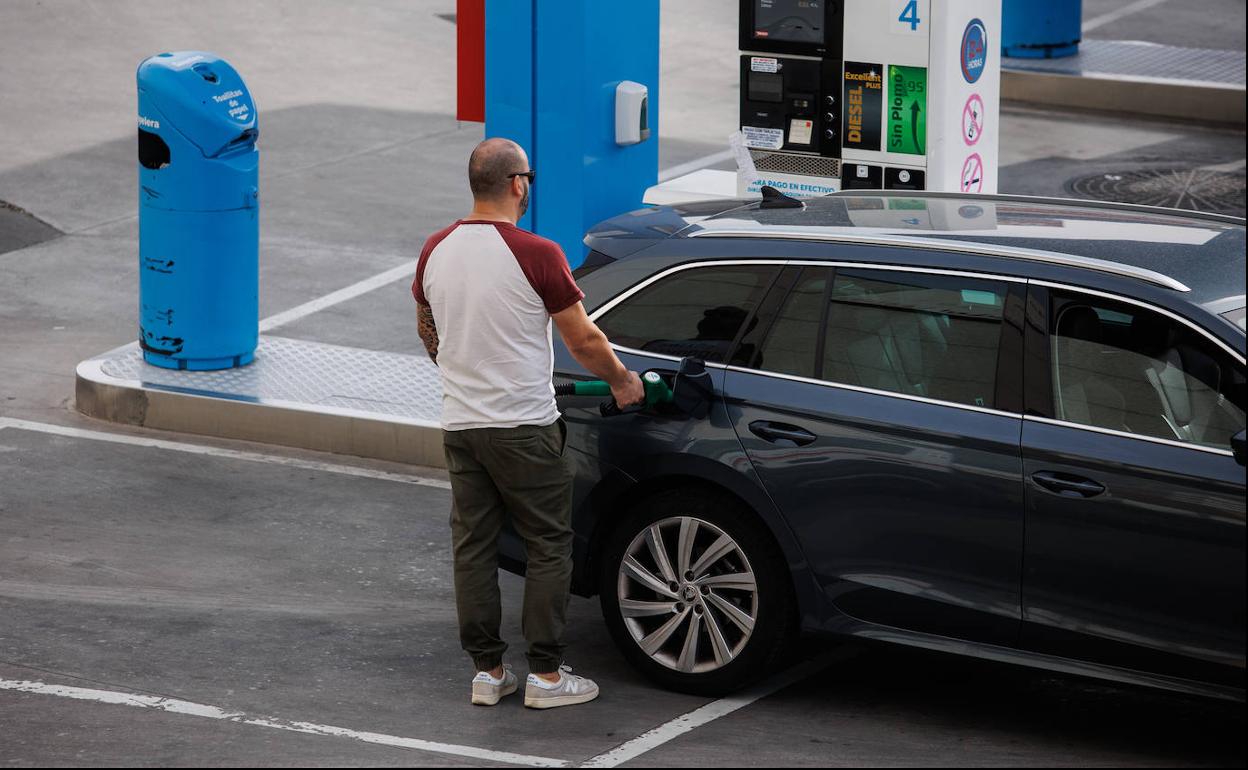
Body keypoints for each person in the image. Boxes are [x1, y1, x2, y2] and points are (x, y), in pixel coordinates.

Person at [413, 137, 644, 709]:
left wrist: (461, 371)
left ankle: (488, 673)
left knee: (473, 546)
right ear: (518, 184)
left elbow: (426, 327)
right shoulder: (538, 253)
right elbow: (584, 338)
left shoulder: (435, 248)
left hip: (460, 424)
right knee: (547, 543)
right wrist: (622, 380)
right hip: (522, 424)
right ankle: (544, 674)